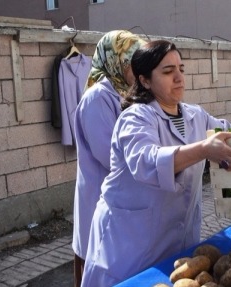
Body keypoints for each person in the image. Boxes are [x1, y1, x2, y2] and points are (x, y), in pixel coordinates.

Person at [80, 40, 231, 286]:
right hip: (129, 247)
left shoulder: (195, 115)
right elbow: (147, 162)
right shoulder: (135, 118)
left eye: (181, 69)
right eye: (168, 72)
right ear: (145, 80)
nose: (179, 78)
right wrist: (203, 149)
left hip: (177, 240)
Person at [72, 30, 146, 287]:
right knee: (100, 267)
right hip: (99, 198)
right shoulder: (97, 98)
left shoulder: (128, 94)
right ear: (114, 62)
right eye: (131, 63)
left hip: (123, 201)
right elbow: (109, 155)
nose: (138, 70)